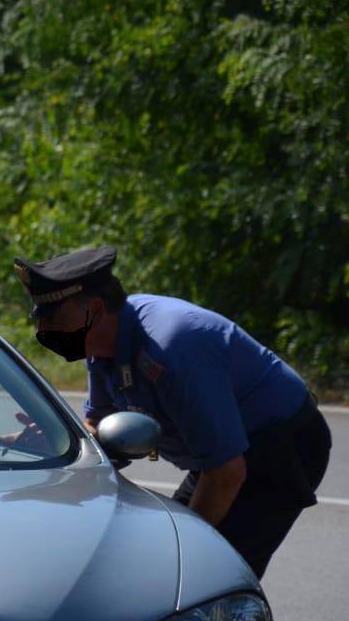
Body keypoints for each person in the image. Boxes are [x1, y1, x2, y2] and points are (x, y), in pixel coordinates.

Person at [17, 245, 332, 577]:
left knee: (210, 574)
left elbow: (227, 472)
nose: (43, 332)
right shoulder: (101, 343)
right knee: (164, 563)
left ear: (94, 310)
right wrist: (58, 440)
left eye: (52, 319)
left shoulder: (173, 347)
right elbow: (100, 423)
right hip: (218, 457)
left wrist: (188, 552)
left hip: (277, 447)